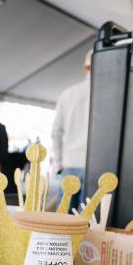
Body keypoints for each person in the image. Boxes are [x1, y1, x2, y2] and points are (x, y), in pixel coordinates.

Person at [51, 50, 92, 210]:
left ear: (85, 67)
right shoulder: (108, 94)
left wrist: (59, 163)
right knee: (86, 222)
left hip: (70, 162)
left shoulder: (67, 94)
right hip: (94, 166)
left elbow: (56, 132)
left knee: (63, 219)